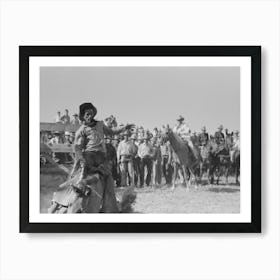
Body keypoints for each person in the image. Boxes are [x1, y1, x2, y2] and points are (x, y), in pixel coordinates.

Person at [73, 102, 134, 212]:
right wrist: (81, 158)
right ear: (83, 116)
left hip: (101, 156)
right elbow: (77, 146)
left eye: (90, 113)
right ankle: (82, 183)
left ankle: (109, 205)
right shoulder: (81, 130)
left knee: (108, 179)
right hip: (89, 155)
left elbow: (111, 132)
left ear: (93, 114)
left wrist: (124, 128)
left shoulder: (100, 124)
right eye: (86, 114)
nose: (88, 116)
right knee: (91, 172)